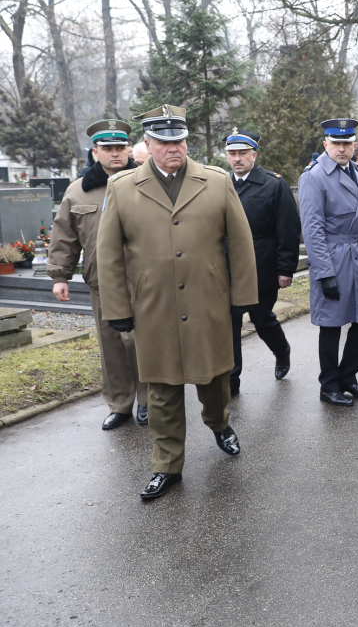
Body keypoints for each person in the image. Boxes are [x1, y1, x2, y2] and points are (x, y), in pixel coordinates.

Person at [97, 104, 259, 501]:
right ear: (148, 144)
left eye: (180, 141)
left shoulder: (217, 182)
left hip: (208, 303)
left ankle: (219, 423)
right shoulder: (122, 188)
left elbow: (240, 244)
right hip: (154, 308)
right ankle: (167, 465)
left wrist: (242, 298)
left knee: (215, 379)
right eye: (164, 142)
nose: (174, 148)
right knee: (162, 390)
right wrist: (118, 309)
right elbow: (109, 254)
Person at [49, 119, 147, 430]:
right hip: (101, 283)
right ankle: (120, 403)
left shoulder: (146, 182)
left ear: (129, 149)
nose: (115, 154)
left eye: (120, 148)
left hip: (143, 281)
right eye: (108, 148)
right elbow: (64, 235)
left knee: (142, 343)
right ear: (95, 152)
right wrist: (59, 276)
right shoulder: (79, 191)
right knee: (111, 346)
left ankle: (148, 400)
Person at [300, 119, 358, 407]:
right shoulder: (314, 176)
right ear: (326, 144)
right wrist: (324, 273)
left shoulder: (356, 171)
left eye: (347, 143)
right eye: (336, 143)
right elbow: (312, 229)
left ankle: (349, 376)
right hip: (333, 257)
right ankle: (329, 385)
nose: (342, 148)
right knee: (332, 324)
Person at [222, 128, 301, 397]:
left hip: (262, 266)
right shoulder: (221, 184)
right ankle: (232, 381)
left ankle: (282, 350)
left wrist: (285, 268)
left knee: (261, 318)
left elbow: (288, 228)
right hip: (227, 268)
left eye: (243, 153)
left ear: (254, 154)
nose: (237, 158)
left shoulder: (273, 184)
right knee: (229, 323)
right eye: (232, 153)